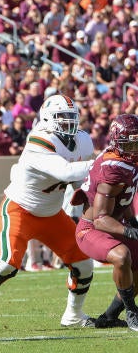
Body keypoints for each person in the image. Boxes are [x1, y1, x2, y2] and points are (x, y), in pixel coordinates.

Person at [0, 94, 95, 331]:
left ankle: (73, 315)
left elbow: (78, 180)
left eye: (71, 118)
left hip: (51, 212)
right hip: (20, 208)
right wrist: (99, 164)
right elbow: (66, 171)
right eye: (61, 118)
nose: (68, 124)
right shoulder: (38, 140)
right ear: (47, 119)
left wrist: (86, 196)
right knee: (5, 264)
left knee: (83, 264)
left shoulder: (83, 141)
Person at [74, 114, 138, 329]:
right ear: (117, 143)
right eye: (130, 143)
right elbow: (101, 219)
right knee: (122, 256)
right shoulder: (112, 168)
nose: (135, 148)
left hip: (113, 223)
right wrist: (129, 232)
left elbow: (124, 196)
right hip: (91, 229)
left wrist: (132, 221)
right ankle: (132, 311)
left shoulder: (126, 162)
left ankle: (109, 317)